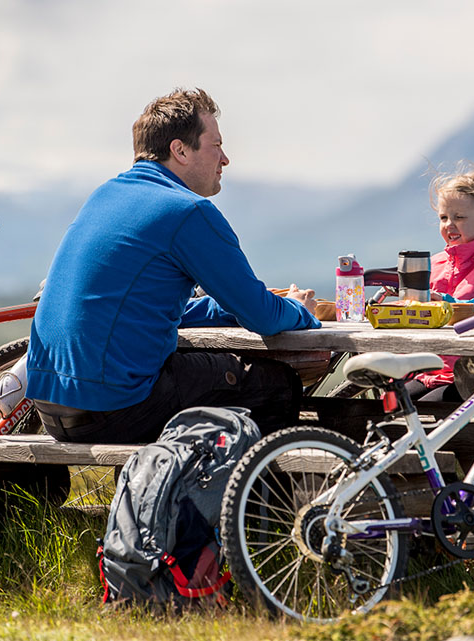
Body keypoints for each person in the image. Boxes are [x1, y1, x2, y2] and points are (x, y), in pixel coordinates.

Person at [25, 88, 320, 444]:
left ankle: (161, 494)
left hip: (51, 407)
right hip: (114, 407)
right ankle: (251, 499)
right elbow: (266, 318)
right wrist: (299, 310)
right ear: (180, 150)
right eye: (216, 145)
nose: (225, 159)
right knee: (276, 384)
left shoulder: (106, 195)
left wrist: (227, 309)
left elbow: (146, 307)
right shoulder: (187, 211)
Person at [407, 167, 474, 402]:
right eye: (444, 218)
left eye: (459, 217)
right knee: (387, 405)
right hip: (428, 370)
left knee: (422, 410)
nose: (449, 224)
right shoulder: (434, 264)